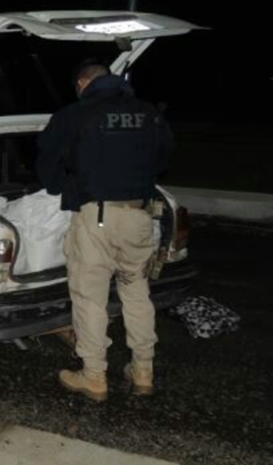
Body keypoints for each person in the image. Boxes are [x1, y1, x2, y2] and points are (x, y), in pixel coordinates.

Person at [36, 60, 174, 401]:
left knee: (90, 297)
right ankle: (143, 370)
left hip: (97, 220)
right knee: (136, 290)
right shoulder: (149, 114)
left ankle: (94, 376)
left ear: (83, 83)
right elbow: (164, 158)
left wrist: (60, 186)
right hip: (139, 217)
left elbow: (47, 164)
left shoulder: (74, 114)